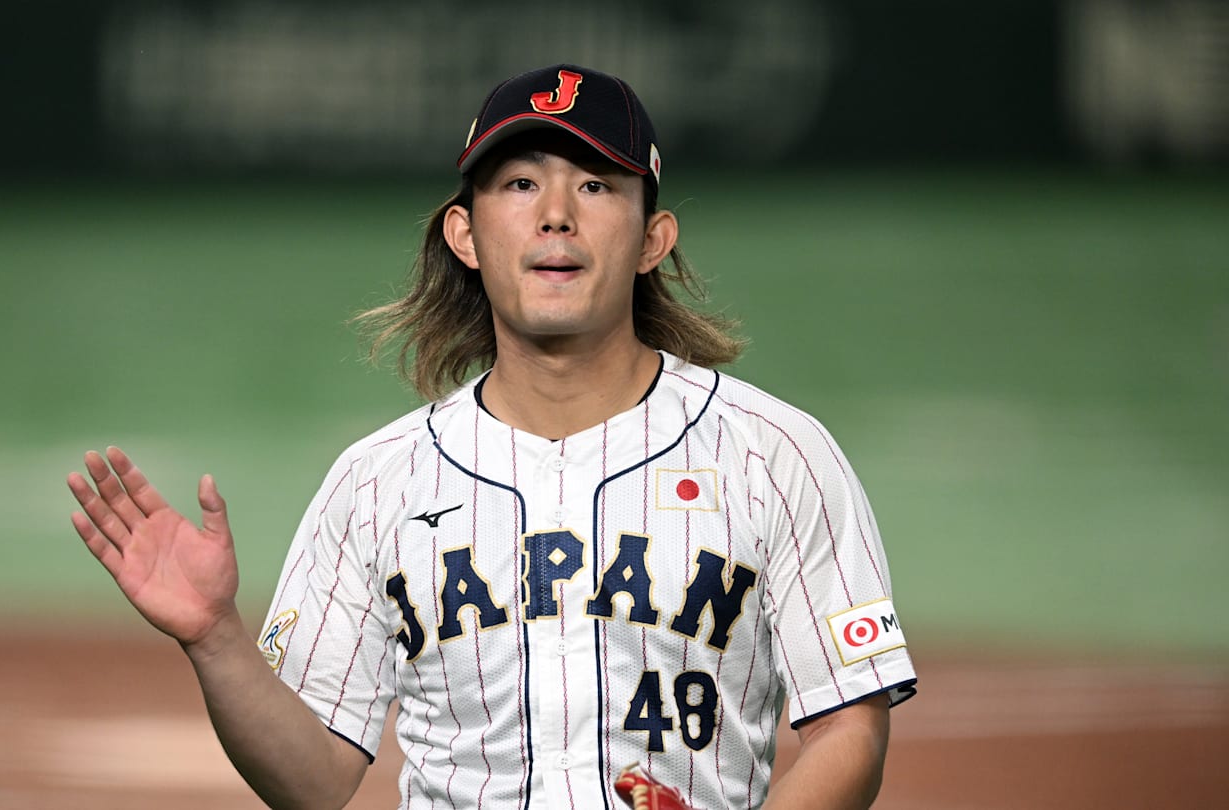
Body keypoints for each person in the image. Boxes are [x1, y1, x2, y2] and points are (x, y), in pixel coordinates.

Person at [68, 64, 917, 810]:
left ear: (653, 237)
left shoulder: (775, 454)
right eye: (519, 184)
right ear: (465, 234)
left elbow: (849, 730)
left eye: (595, 185)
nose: (556, 215)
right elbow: (314, 780)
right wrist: (215, 638)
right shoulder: (378, 483)